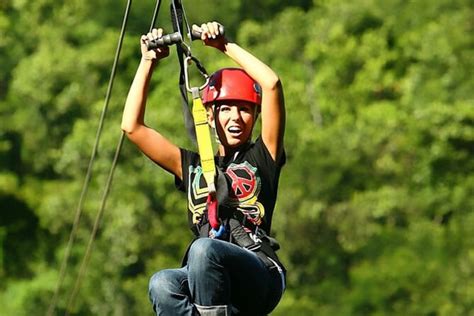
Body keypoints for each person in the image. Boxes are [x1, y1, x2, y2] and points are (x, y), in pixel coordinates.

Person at [121, 21, 286, 316]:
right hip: (208, 279)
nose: (236, 117)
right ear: (210, 116)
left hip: (257, 273)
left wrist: (224, 46)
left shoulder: (263, 156)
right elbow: (132, 127)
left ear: (255, 116)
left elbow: (271, 84)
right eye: (225, 109)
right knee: (162, 283)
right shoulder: (192, 167)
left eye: (245, 109)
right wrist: (147, 62)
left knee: (202, 249)